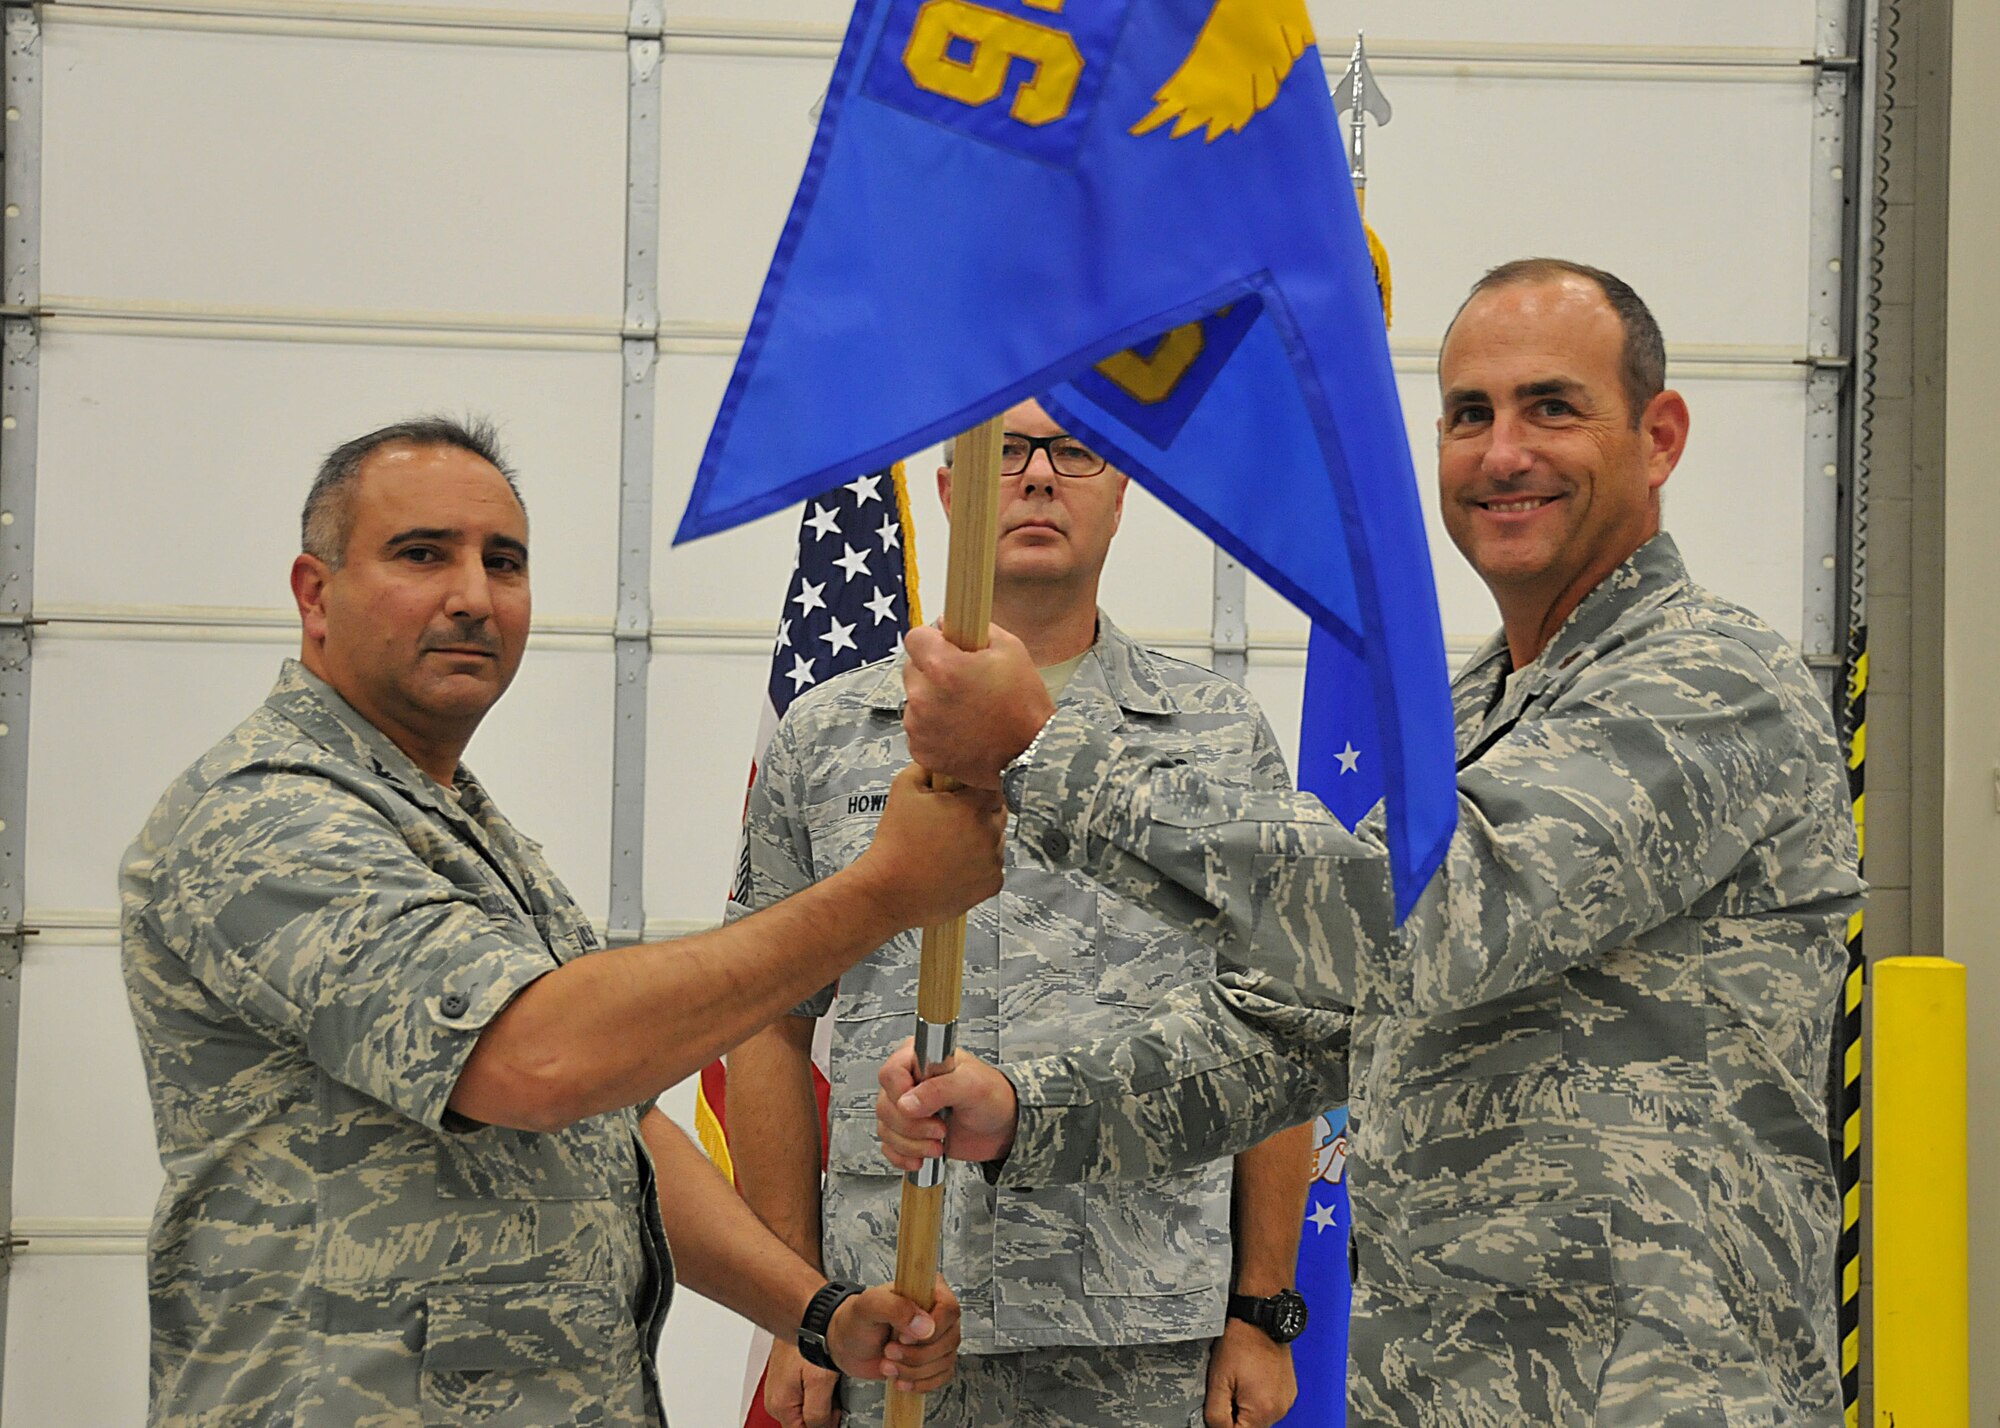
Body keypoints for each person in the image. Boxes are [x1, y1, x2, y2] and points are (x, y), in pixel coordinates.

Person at [875, 262, 1865, 1425]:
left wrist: (1048, 756)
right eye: (1466, 415)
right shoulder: (1470, 718)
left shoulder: (1710, 683)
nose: (1501, 453)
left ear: (1657, 438)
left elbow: (1435, 916)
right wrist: (1028, 1110)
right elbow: (1309, 1026)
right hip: (1440, 1391)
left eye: (1551, 406)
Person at [120, 417, 1000, 1427]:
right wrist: (883, 893)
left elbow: (613, 1128)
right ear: (314, 595)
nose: (471, 596)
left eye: (504, 562)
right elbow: (536, 1063)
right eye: (420, 555)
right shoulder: (266, 817)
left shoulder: (460, 829)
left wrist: (813, 1311)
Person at [727, 398, 1324, 1428]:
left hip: (1147, 1328)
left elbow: (1278, 1023)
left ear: (1124, 487)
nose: (1039, 475)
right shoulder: (829, 737)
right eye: (1004, 452)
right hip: (899, 1318)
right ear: (951, 489)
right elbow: (765, 1030)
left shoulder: (1215, 736)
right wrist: (798, 1312)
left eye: (1075, 451)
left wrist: (1258, 1309)